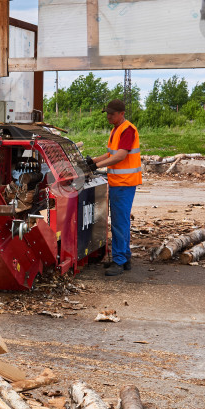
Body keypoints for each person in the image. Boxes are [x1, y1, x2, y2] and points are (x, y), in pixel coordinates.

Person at [92, 99, 142, 276]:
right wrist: (93, 161)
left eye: (112, 113)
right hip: (119, 182)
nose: (108, 116)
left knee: (120, 223)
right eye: (107, 113)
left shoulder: (127, 130)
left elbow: (120, 156)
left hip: (124, 182)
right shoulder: (117, 129)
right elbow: (110, 153)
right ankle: (125, 258)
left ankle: (119, 261)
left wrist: (98, 166)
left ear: (122, 113)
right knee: (121, 222)